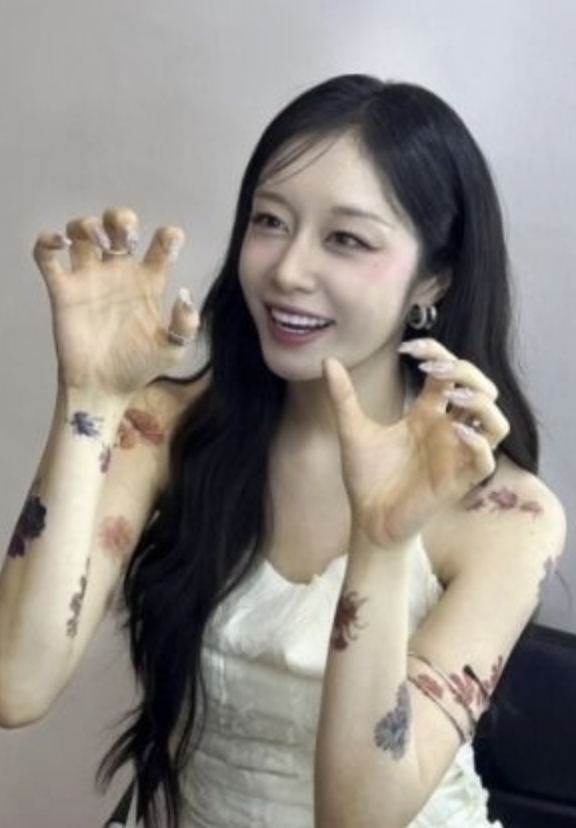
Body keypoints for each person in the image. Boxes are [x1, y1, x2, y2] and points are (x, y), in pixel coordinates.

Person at [0, 74, 566, 828]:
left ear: (435, 276)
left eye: (346, 238)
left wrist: (383, 539)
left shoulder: (509, 514)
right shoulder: (170, 428)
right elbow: (16, 682)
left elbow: (359, 818)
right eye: (269, 220)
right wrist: (89, 401)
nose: (287, 270)